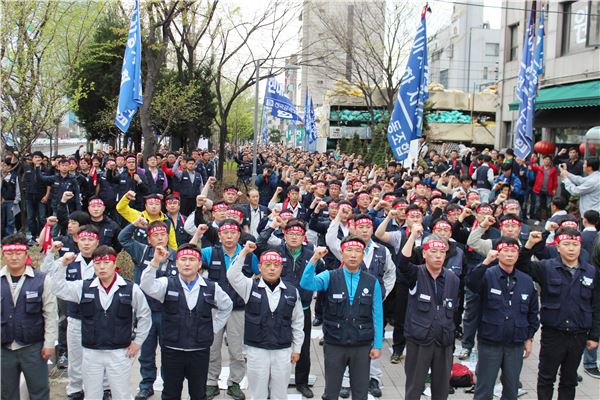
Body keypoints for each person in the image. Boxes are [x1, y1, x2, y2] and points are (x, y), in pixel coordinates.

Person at [48, 245, 152, 400]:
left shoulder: (130, 288)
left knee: (121, 394)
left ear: (115, 263)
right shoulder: (84, 287)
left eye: (106, 262)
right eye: (97, 263)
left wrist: (137, 342)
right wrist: (62, 264)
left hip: (119, 352)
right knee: (92, 395)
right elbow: (58, 288)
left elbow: (145, 315)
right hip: (91, 352)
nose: (102, 267)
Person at [140, 243, 233, 400]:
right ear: (176, 263)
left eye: (191, 259)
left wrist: (214, 328)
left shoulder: (211, 287)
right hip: (172, 349)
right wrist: (155, 262)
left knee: (198, 394)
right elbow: (146, 285)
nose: (187, 263)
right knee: (170, 393)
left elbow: (227, 306)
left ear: (199, 264)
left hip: (200, 350)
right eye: (183, 259)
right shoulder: (166, 283)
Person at [520, 228, 600, 400]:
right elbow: (522, 266)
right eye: (566, 244)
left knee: (569, 381)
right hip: (553, 334)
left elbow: (596, 305)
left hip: (578, 335)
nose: (571, 248)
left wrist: (594, 335)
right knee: (546, 378)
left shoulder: (592, 272)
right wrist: (529, 245)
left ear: (581, 247)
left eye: (575, 244)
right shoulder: (546, 267)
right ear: (557, 246)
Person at [301, 237, 383, 400]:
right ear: (342, 253)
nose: (353, 255)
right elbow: (306, 283)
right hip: (334, 343)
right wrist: (315, 258)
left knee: (360, 392)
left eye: (357, 251)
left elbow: (377, 314)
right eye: (349, 251)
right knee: (331, 391)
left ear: (363, 254)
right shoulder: (329, 276)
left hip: (362, 344)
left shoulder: (372, 282)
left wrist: (378, 344)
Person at [227, 242, 304, 400]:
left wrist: (297, 348)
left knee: (280, 393)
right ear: (260, 267)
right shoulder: (250, 286)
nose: (272, 268)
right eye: (267, 265)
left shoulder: (291, 291)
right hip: (257, 349)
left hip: (282, 349)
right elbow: (232, 275)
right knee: (258, 393)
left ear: (281, 268)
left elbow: (297, 322)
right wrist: (244, 253)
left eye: (276, 265)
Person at [467, 237, 540, 400]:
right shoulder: (487, 274)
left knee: (512, 388)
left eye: (513, 251)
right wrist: (486, 262)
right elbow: (471, 284)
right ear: (498, 254)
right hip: (490, 340)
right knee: (484, 388)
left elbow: (533, 312)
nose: (509, 255)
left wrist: (529, 338)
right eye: (505, 251)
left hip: (515, 343)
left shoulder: (526, 281)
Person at [256, 218, 320, 398]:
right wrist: (272, 226)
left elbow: (322, 274)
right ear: (284, 235)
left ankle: (302, 382)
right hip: (278, 308)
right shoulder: (276, 252)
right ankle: (271, 384)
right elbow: (259, 244)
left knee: (304, 346)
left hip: (304, 307)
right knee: (273, 346)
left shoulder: (310, 253)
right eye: (290, 233)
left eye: (298, 234)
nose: (294, 237)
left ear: (304, 237)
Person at [198, 220, 260, 400]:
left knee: (237, 349)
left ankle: (235, 383)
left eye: (233, 233)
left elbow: (259, 273)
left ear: (239, 235)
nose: (229, 236)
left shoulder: (248, 254)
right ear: (219, 235)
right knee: (212, 347)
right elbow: (189, 258)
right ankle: (211, 382)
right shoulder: (211, 253)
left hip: (239, 309)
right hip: (215, 309)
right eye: (225, 233)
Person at [119, 219, 178, 400]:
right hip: (146, 312)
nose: (160, 238)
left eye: (163, 234)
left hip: (169, 312)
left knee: (169, 351)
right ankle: (146, 385)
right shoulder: (142, 251)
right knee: (146, 352)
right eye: (156, 235)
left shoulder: (176, 255)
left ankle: (169, 385)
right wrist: (135, 224)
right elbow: (123, 239)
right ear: (149, 239)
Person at [397, 229, 459, 400]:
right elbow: (402, 263)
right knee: (414, 387)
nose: (438, 256)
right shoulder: (416, 273)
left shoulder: (453, 278)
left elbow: (454, 308)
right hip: (419, 339)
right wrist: (412, 237)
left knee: (441, 389)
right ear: (424, 253)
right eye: (433, 251)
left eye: (442, 252)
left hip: (444, 339)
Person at [1, 234, 57, 400]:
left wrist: (49, 343)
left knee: (39, 391)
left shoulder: (41, 280)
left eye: (18, 253)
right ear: (3, 255)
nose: (14, 257)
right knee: (6, 393)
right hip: (4, 348)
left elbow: (50, 313)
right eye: (9, 253)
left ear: (26, 255)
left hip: (34, 347)